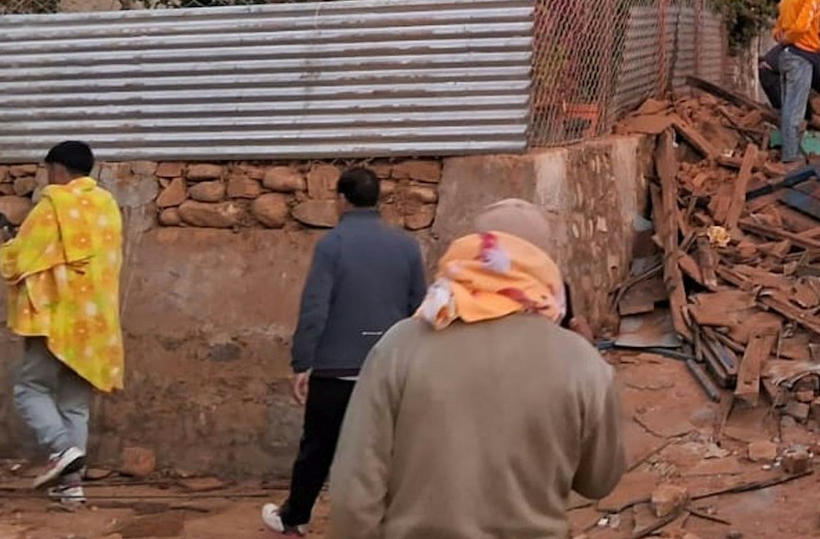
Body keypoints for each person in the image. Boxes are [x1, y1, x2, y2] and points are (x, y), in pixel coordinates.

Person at [327, 200, 625, 538]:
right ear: (544, 267)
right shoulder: (581, 363)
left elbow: (354, 492)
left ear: (471, 253)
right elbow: (600, 479)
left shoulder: (400, 346)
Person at [263, 167, 427, 536]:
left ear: (341, 200)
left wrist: (303, 363)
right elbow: (419, 308)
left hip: (335, 370)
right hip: (388, 370)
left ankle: (296, 516)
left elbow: (316, 308)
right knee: (390, 451)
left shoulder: (331, 245)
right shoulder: (405, 246)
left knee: (318, 447)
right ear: (377, 200)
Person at [0, 140, 122, 506]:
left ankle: (62, 448)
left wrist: (9, 245)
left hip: (56, 318)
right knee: (75, 404)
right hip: (96, 322)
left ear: (58, 170)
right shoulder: (107, 205)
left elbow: (22, 258)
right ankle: (71, 486)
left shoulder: (54, 204)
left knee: (29, 388)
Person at [773, 0, 820, 163]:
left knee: (787, 107)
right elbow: (803, 26)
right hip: (801, 54)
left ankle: (789, 152)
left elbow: (777, 28)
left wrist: (783, 39)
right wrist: (791, 38)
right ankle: (791, 156)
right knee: (795, 110)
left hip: (785, 55)